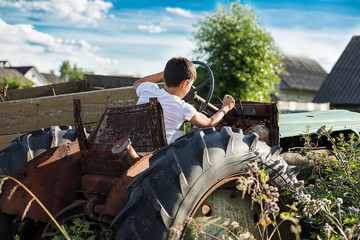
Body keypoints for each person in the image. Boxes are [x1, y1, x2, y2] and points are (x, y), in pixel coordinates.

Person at [133, 57, 235, 144]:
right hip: (156, 152)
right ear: (185, 83)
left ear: (165, 77)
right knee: (186, 138)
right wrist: (225, 107)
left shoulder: (147, 89)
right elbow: (209, 123)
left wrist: (167, 73)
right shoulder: (183, 108)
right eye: (190, 85)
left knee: (180, 134)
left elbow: (138, 82)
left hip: (135, 141)